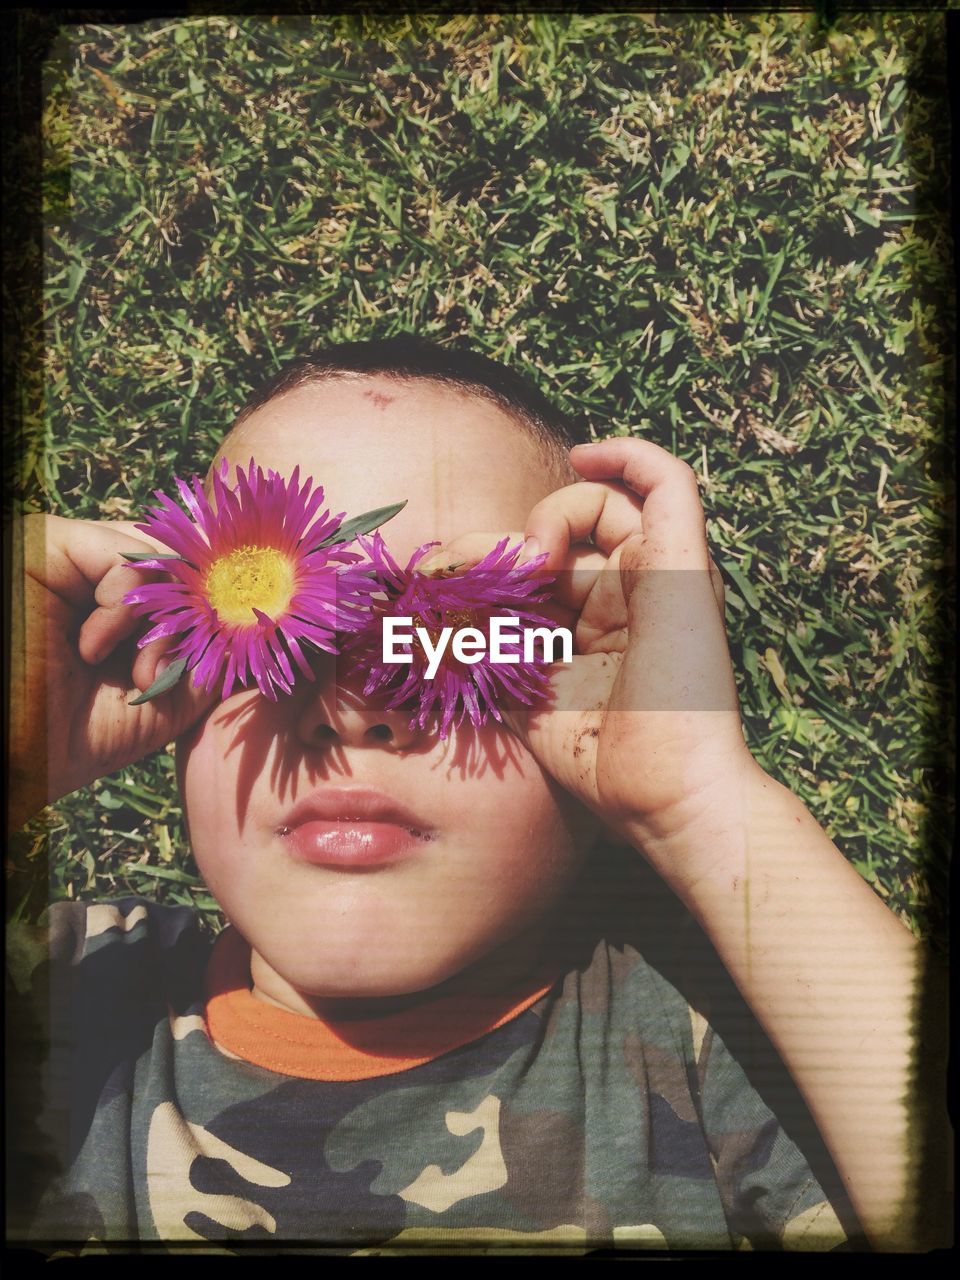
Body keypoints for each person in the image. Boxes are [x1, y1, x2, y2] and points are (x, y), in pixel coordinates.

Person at [7, 337, 950, 1254]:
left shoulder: (732, 1039)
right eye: (271, 630)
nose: (353, 709)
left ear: (582, 673)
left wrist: (699, 807)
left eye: (455, 631)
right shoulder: (68, 995)